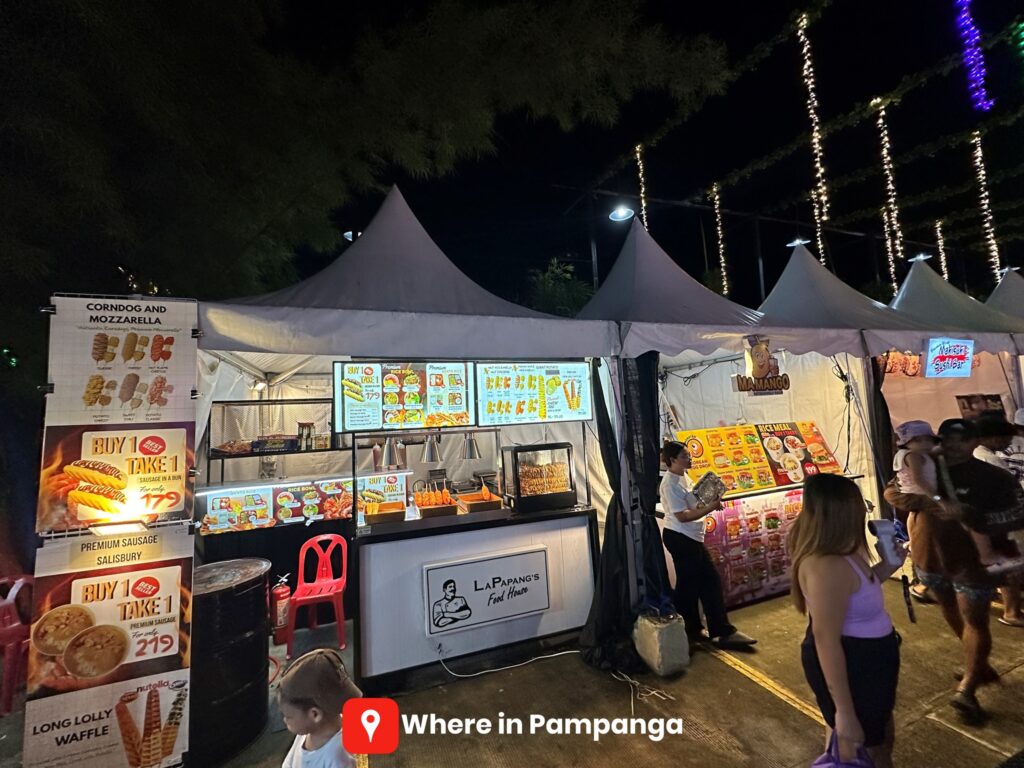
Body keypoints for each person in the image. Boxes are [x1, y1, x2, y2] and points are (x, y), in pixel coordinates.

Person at [886, 419, 1008, 722]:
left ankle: (967, 686)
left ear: (974, 442)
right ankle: (976, 666)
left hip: (969, 562)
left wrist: (970, 513)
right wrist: (928, 501)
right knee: (954, 612)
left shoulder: (994, 476)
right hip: (932, 554)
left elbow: (1013, 516)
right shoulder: (925, 463)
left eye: (960, 440)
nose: (953, 446)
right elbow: (892, 492)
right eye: (947, 440)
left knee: (973, 620)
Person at [789, 474, 902, 768]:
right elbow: (826, 640)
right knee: (862, 749)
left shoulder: (843, 552)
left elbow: (859, 591)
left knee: (872, 741)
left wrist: (889, 565)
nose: (864, 509)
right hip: (855, 663)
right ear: (842, 514)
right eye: (858, 504)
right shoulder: (826, 565)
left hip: (868, 661)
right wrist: (844, 711)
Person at [659, 441, 756, 649]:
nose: (689, 458)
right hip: (681, 537)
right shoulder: (669, 484)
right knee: (703, 582)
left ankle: (694, 630)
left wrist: (710, 495)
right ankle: (714, 631)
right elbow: (683, 516)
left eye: (688, 454)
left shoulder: (682, 475)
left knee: (693, 584)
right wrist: (711, 507)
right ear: (672, 460)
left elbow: (693, 501)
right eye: (684, 456)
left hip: (690, 537)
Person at [972, 414, 1024, 627]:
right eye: (1006, 437)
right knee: (1010, 566)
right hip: (999, 522)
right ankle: (1012, 612)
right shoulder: (990, 461)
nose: (1010, 442)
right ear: (993, 437)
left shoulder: (974, 455)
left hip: (984, 522)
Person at [279, 648, 363, 768]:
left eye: (288, 716)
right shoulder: (306, 731)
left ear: (315, 714)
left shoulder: (338, 759)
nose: (285, 720)